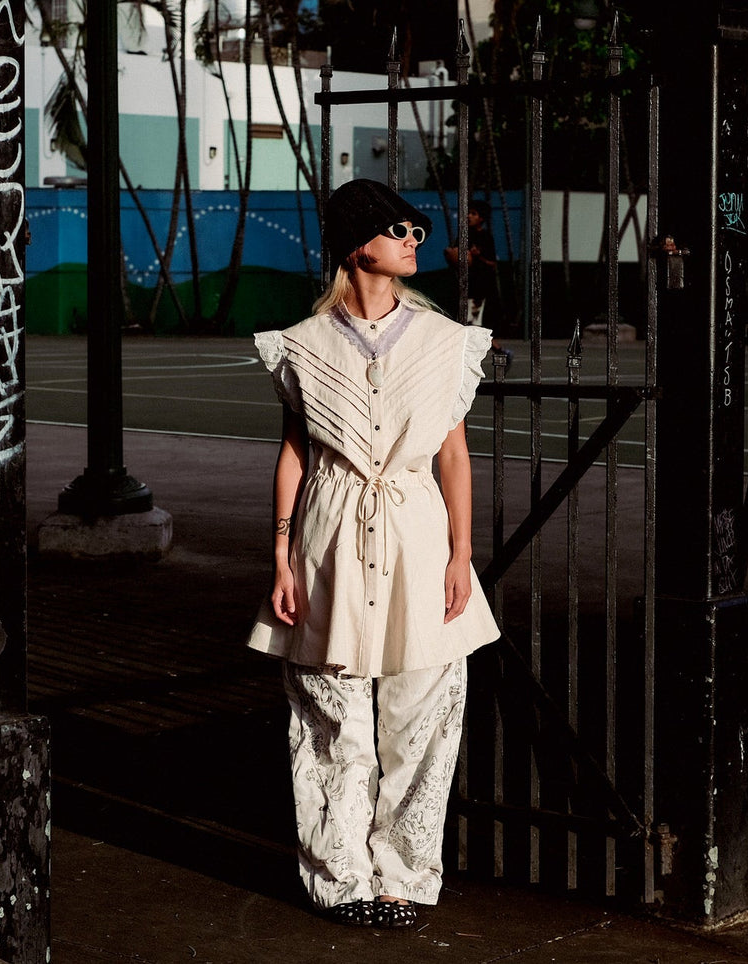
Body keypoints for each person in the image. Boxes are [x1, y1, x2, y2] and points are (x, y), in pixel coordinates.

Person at [248, 179, 501, 930]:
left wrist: (461, 553)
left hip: (418, 537)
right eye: (399, 228)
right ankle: (341, 877)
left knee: (420, 712)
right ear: (355, 246)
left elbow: (453, 456)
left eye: (418, 228)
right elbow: (293, 452)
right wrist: (281, 552)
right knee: (333, 719)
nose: (415, 238)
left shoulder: (446, 341)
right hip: (327, 535)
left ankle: (405, 877)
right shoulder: (302, 345)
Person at [443, 198, 510, 361]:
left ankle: (499, 351)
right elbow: (456, 257)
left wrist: (478, 256)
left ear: (481, 218)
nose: (469, 216)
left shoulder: (486, 237)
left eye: (473, 214)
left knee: (471, 324)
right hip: (465, 285)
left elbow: (492, 264)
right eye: (469, 213)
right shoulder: (464, 236)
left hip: (479, 287)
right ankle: (498, 351)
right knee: (466, 323)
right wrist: (452, 255)